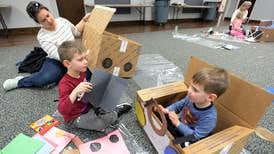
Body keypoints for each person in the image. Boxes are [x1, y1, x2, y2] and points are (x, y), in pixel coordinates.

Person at [3, 1, 90, 91]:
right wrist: (75, 62)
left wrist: (84, 20)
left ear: (50, 12)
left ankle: (64, 74)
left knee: (88, 74)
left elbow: (76, 32)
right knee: (45, 79)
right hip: (57, 60)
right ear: (38, 22)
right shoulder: (42, 36)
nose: (49, 20)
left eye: (48, 15)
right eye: (43, 20)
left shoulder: (62, 21)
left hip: (75, 56)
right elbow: (57, 55)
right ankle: (19, 81)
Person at [57, 41, 132, 131]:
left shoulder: (81, 72)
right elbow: (62, 110)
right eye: (80, 60)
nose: (85, 62)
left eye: (85, 58)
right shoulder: (64, 84)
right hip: (75, 117)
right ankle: (113, 113)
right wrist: (76, 91)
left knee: (107, 101)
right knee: (100, 124)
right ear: (67, 64)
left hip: (87, 106)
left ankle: (110, 112)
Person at [158, 67, 229, 143]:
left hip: (193, 137)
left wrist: (177, 124)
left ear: (210, 97)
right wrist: (167, 110)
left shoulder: (209, 117)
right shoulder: (190, 98)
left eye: (195, 90)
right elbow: (178, 105)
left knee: (177, 143)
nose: (189, 90)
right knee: (161, 118)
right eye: (190, 86)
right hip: (181, 125)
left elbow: (194, 136)